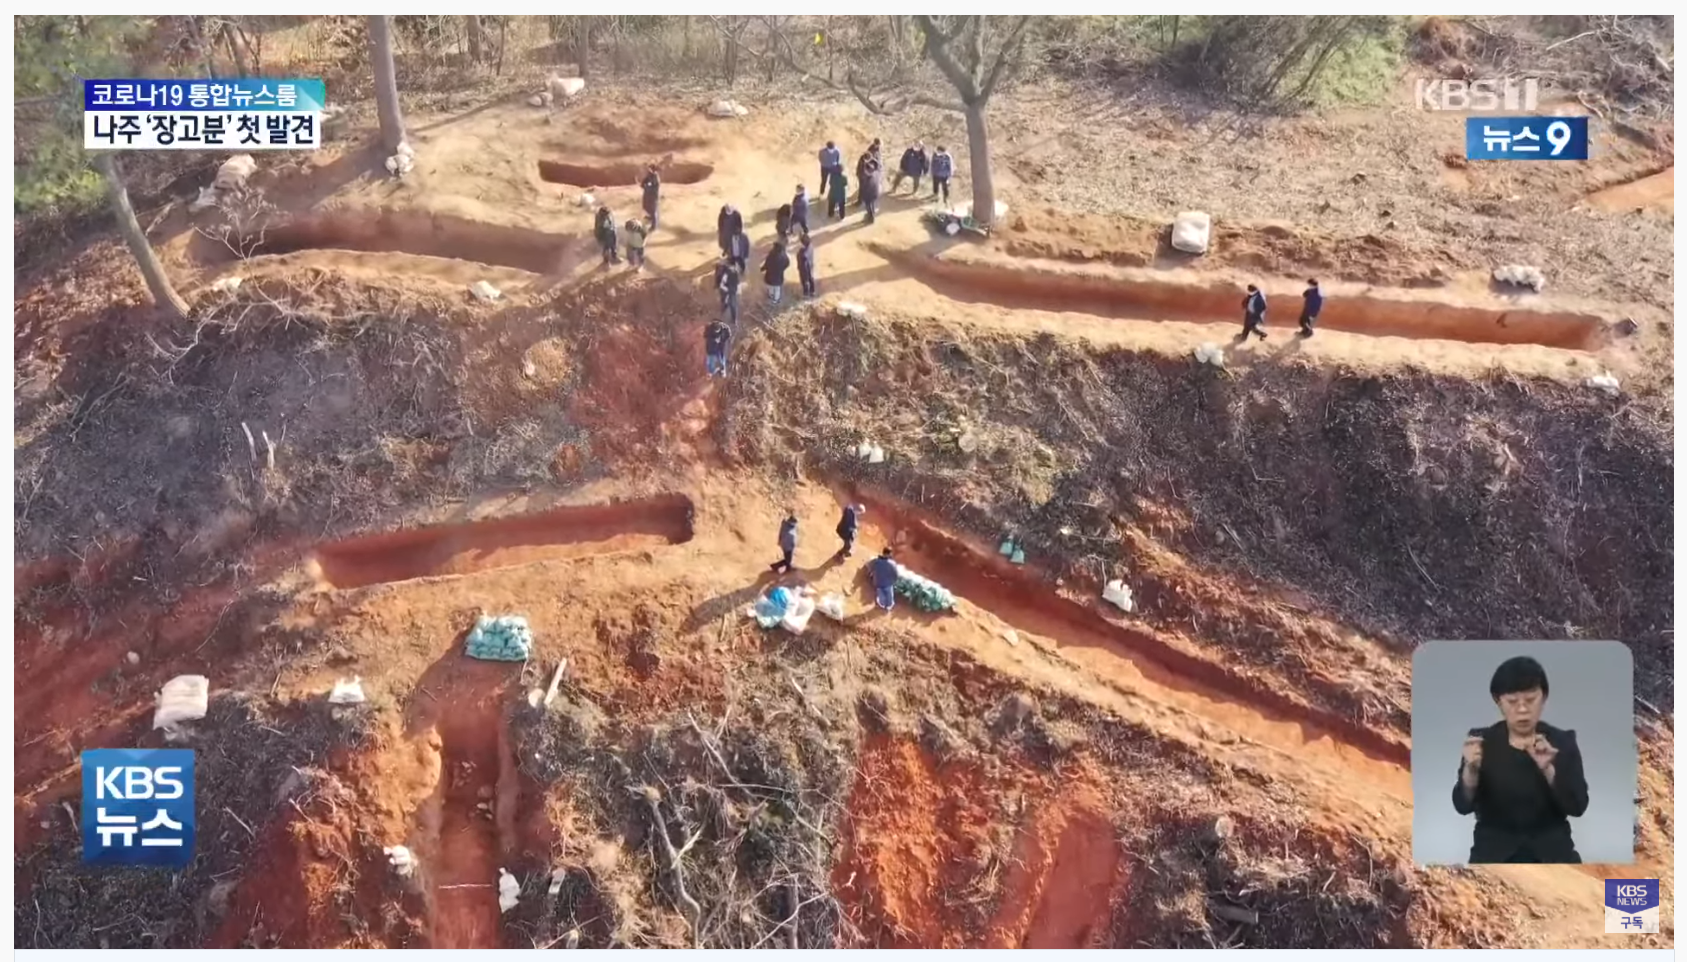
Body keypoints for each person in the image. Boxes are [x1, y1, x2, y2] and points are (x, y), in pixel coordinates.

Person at [1453, 656, 1589, 864]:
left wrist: (1549, 770)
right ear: (1498, 701)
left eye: (1530, 700)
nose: (1523, 709)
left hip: (1554, 855)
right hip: (1493, 856)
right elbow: (1462, 805)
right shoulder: (1481, 741)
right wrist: (1471, 771)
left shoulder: (1562, 741)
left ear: (1544, 698)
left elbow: (1578, 807)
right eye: (1513, 702)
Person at [868, 546, 900, 611]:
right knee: (889, 598)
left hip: (878, 583)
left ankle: (882, 605)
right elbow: (896, 574)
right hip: (888, 584)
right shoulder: (892, 564)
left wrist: (871, 573)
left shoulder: (876, 561)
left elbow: (870, 566)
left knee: (881, 596)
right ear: (888, 554)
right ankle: (888, 607)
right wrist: (894, 581)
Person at [715, 256, 742, 325]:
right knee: (728, 303)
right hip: (728, 291)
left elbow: (738, 282)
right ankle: (725, 311)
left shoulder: (734, 272)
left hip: (730, 291)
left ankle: (733, 319)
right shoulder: (727, 272)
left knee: (732, 305)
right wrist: (728, 290)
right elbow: (722, 283)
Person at [762, 240, 791, 304]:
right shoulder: (783, 256)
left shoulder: (771, 255)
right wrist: (782, 269)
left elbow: (767, 264)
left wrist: (762, 269)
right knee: (777, 288)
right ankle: (776, 300)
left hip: (770, 275)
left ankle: (771, 296)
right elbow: (787, 263)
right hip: (779, 276)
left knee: (771, 287)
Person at [860, 153, 883, 224]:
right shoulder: (876, 173)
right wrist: (872, 159)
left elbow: (864, 187)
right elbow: (878, 166)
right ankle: (871, 215)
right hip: (876, 192)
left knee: (868, 206)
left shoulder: (867, 178)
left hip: (869, 194)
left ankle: (870, 217)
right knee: (872, 204)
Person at [797, 231, 817, 300]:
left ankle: (806, 294)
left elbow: (803, 257)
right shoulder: (810, 246)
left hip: (804, 268)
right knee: (811, 278)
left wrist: (800, 252)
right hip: (810, 265)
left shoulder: (802, 252)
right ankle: (812, 291)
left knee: (805, 280)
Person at [641, 164, 661, 231]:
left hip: (653, 195)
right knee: (645, 206)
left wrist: (646, 187)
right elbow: (645, 181)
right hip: (648, 194)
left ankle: (654, 226)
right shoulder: (650, 175)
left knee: (653, 209)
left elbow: (653, 187)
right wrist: (643, 184)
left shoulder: (655, 177)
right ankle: (650, 218)